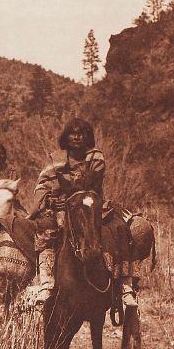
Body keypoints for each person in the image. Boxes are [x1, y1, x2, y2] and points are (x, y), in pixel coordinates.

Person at [31, 118, 105, 304]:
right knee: (47, 227)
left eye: (81, 133)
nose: (77, 137)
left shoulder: (95, 158)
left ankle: (122, 283)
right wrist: (51, 200)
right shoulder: (55, 160)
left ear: (87, 137)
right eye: (73, 133)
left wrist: (73, 197)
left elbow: (91, 184)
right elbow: (42, 186)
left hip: (89, 204)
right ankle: (47, 281)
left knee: (116, 228)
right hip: (60, 207)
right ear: (66, 136)